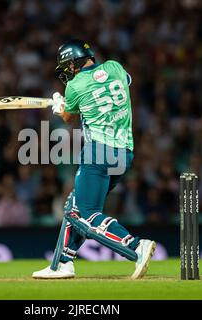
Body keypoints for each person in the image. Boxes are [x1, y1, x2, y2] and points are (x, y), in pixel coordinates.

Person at [32, 39, 156, 279]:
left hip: (98, 152)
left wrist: (59, 106)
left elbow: (69, 117)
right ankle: (63, 263)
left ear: (74, 63)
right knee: (74, 205)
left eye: (67, 66)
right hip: (124, 153)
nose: (67, 72)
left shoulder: (76, 85)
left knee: (85, 214)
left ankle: (135, 246)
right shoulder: (114, 67)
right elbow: (124, 83)